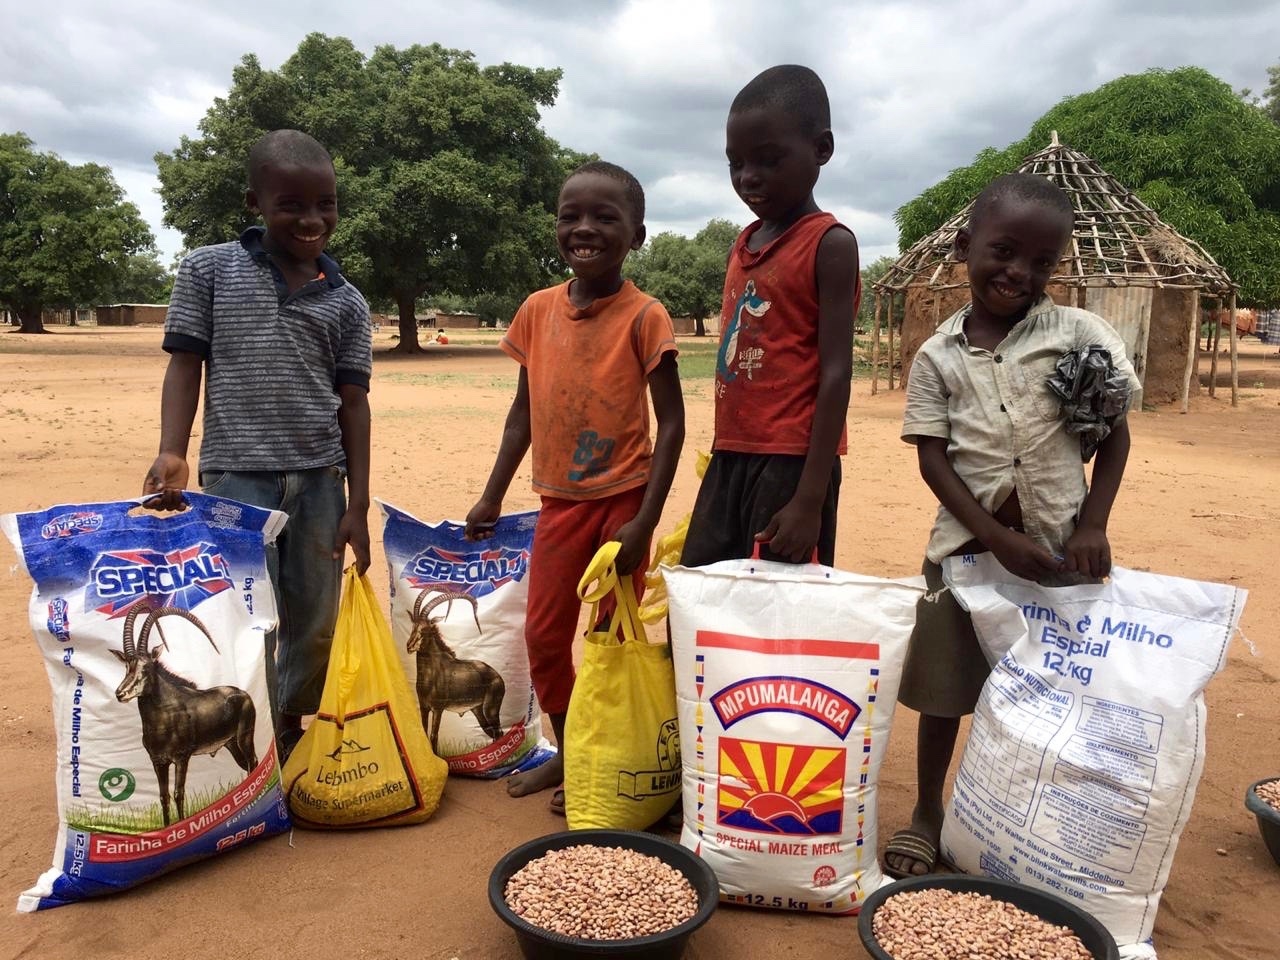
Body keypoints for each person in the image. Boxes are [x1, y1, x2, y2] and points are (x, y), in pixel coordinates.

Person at [884, 173, 1141, 878]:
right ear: (966, 247)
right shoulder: (938, 356)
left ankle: (1024, 823)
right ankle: (929, 812)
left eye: (1040, 262)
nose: (1018, 272)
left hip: (1060, 558)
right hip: (965, 555)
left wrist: (1093, 524)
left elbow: (1113, 436)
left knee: (1050, 698)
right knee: (942, 694)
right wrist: (994, 537)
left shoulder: (1081, 337)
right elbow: (934, 462)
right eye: (1003, 251)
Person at [142, 129, 373, 764]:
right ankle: (257, 729)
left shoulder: (348, 301)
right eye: (291, 204)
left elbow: (354, 404)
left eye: (325, 203)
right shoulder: (208, 269)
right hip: (235, 480)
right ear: (255, 202)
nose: (311, 219)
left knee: (316, 616)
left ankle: (291, 722)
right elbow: (185, 363)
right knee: (249, 615)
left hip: (321, 481)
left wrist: (359, 502)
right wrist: (172, 450)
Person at [464, 161, 685, 814]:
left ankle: (604, 759)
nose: (584, 229)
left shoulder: (645, 316)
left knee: (613, 643)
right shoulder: (536, 312)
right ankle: (571, 753)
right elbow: (521, 414)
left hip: (622, 508)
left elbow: (671, 426)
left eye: (604, 218)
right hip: (558, 506)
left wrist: (645, 520)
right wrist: (491, 493)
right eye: (571, 217)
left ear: (636, 234)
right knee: (543, 635)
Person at [680, 64, 860, 570]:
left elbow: (836, 373)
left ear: (821, 150)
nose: (748, 177)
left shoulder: (830, 244)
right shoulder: (744, 243)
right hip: (731, 452)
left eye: (768, 160)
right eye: (735, 163)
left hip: (792, 464)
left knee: (777, 615)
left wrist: (809, 497)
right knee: (701, 590)